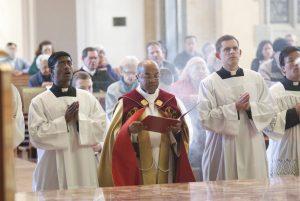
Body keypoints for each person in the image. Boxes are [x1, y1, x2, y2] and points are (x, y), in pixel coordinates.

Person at [98, 60, 195, 187]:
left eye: (156, 75)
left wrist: (176, 132)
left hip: (167, 163)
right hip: (138, 165)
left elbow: (186, 136)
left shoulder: (172, 101)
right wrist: (129, 132)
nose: (153, 79)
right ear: (138, 77)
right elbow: (113, 138)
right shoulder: (126, 103)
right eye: (147, 75)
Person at [198, 35, 275, 181]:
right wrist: (234, 107)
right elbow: (204, 118)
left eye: (235, 48)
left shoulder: (256, 78)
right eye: (227, 49)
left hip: (251, 143)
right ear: (218, 55)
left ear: (240, 52)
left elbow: (269, 108)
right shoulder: (208, 83)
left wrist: (250, 108)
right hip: (223, 146)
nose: (232, 52)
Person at [28, 51, 106, 191]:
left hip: (83, 163)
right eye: (62, 63)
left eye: (69, 63)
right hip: (53, 165)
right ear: (51, 71)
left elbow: (101, 127)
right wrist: (64, 121)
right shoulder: (39, 101)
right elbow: (36, 135)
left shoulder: (87, 98)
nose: (67, 67)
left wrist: (79, 121)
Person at [171, 57, 209, 181]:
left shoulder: (209, 83)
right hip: (188, 127)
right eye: (197, 68)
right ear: (189, 70)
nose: (201, 70)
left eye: (203, 68)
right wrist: (188, 98)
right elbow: (173, 98)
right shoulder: (180, 84)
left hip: (206, 127)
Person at [264, 46, 300, 177]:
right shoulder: (274, 92)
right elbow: (268, 124)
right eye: (291, 61)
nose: (297, 64)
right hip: (283, 152)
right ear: (283, 68)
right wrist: (295, 113)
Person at [105, 56, 139, 121]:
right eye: (128, 72)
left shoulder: (142, 88)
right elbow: (110, 113)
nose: (131, 76)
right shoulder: (112, 89)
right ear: (121, 71)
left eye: (134, 73)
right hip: (119, 125)